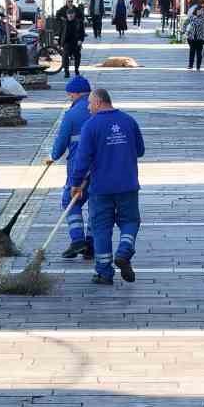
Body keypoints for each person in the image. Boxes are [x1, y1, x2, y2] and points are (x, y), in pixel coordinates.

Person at [73, 88, 145, 285]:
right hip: (128, 184)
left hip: (101, 188)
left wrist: (76, 183)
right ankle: (124, 251)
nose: (88, 108)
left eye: (89, 104)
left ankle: (104, 273)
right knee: (130, 221)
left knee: (101, 229)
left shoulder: (90, 126)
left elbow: (82, 159)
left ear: (98, 102)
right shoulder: (129, 121)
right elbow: (140, 150)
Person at [50, 76, 96, 260]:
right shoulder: (98, 108)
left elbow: (61, 142)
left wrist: (53, 156)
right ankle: (91, 244)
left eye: (70, 94)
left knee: (70, 200)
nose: (69, 97)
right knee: (95, 203)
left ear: (76, 93)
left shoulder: (72, 114)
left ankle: (77, 239)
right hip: (101, 167)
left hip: (78, 165)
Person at [59, 6, 87, 78]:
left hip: (76, 42)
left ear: (74, 14)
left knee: (77, 56)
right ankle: (66, 71)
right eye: (69, 14)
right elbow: (61, 32)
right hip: (66, 42)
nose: (70, 15)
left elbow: (82, 33)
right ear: (67, 15)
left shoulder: (79, 22)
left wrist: (81, 40)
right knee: (65, 56)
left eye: (72, 14)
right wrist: (59, 41)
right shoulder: (64, 22)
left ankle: (76, 69)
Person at [182, 6, 204, 71]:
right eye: (200, 10)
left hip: (200, 38)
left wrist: (193, 21)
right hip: (192, 37)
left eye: (202, 11)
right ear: (196, 11)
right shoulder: (191, 17)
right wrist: (184, 30)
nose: (201, 12)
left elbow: (200, 24)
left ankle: (198, 66)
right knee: (192, 52)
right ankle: (190, 65)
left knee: (199, 53)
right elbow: (185, 23)